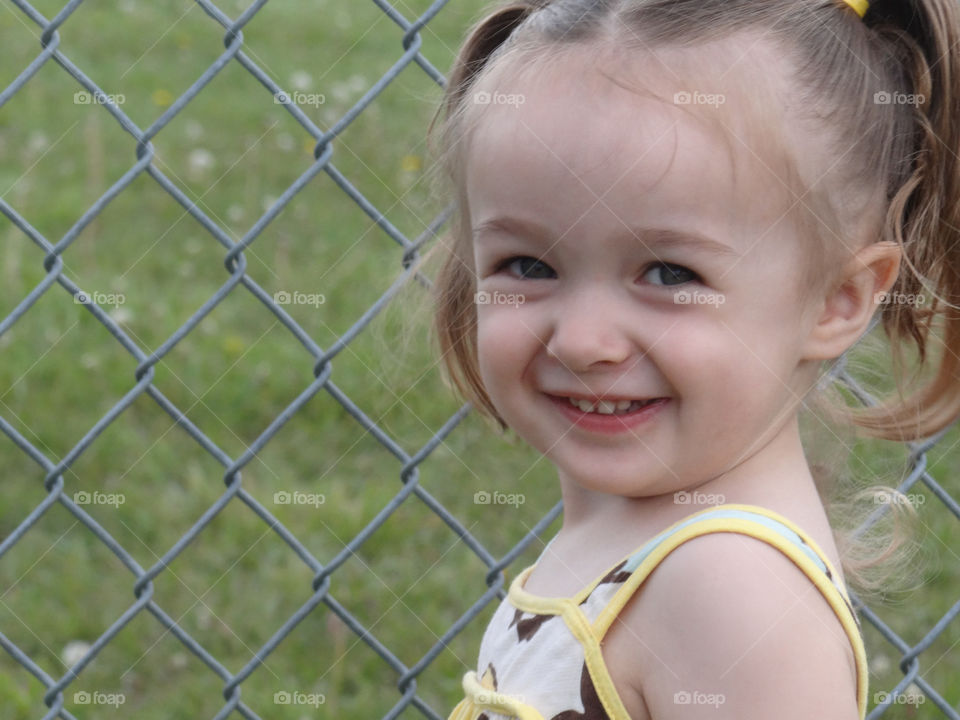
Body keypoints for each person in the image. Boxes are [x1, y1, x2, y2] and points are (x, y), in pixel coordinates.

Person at [412, 0, 960, 717]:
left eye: (670, 274)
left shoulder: (728, 587)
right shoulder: (643, 536)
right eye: (527, 264)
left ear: (838, 300)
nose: (582, 341)